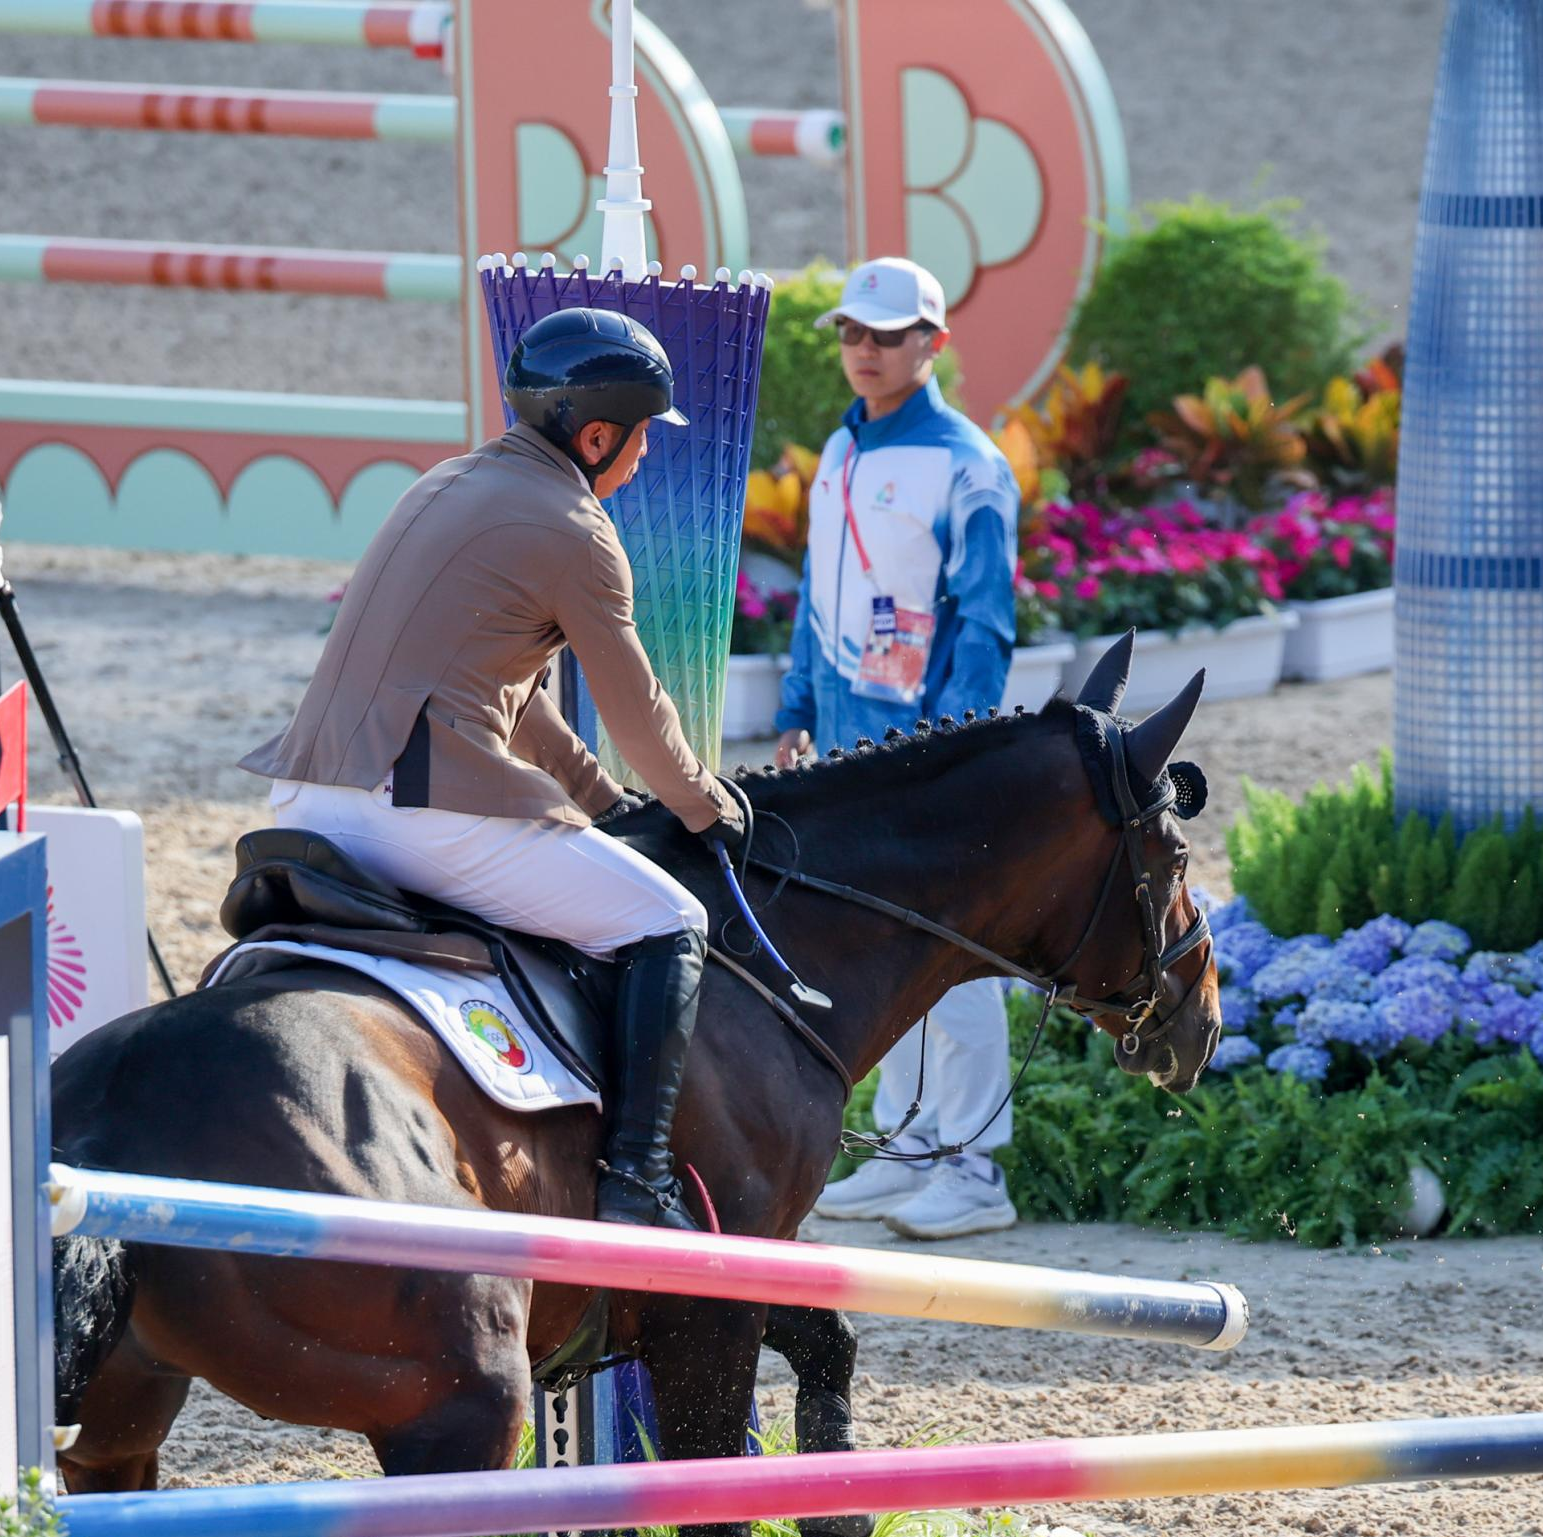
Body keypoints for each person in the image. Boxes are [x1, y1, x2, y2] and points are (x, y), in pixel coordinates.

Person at [242, 307, 745, 1233]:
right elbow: (637, 711)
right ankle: (636, 1179)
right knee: (669, 919)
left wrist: (606, 804)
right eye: (640, 436)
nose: (644, 455)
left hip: (303, 796)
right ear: (596, 436)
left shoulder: (445, 482)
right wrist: (704, 806)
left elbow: (528, 702)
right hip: (417, 811)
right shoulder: (575, 528)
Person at [775, 257, 1022, 1239]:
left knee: (953, 959)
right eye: (852, 332)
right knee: (883, 951)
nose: (864, 350)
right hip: (849, 752)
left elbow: (986, 621)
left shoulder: (971, 466)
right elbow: (815, 591)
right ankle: (908, 1145)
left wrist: (950, 752)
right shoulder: (839, 449)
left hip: (924, 757)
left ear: (933, 343)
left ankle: (977, 1169)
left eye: (886, 335)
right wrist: (797, 704)